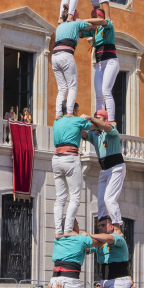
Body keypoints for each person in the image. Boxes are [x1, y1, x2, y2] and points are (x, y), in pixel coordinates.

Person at [49, 218, 107, 288]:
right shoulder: (80, 239)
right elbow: (102, 241)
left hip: (55, 279)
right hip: (69, 279)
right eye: (77, 223)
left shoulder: (58, 239)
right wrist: (88, 235)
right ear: (74, 226)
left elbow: (86, 250)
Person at [82, 110, 125, 233]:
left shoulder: (111, 129)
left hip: (116, 167)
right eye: (95, 118)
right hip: (104, 169)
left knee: (109, 199)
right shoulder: (95, 134)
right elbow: (84, 134)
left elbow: (105, 126)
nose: (95, 120)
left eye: (98, 118)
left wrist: (90, 117)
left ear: (105, 120)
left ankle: (117, 226)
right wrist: (76, 122)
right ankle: (102, 224)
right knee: (101, 201)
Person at [52, 101, 91, 237]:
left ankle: (58, 231)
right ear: (73, 110)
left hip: (56, 157)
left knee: (60, 198)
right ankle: (68, 229)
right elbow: (91, 127)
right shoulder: (76, 120)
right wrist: (86, 118)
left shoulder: (56, 122)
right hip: (70, 157)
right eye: (77, 110)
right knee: (74, 197)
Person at [52, 11, 92, 119]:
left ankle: (58, 114)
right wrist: (81, 21)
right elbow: (90, 25)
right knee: (72, 86)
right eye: (78, 16)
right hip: (66, 55)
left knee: (62, 88)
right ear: (74, 17)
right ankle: (69, 112)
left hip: (55, 56)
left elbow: (79, 34)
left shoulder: (60, 26)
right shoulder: (75, 24)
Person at [82, 8, 119, 122]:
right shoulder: (95, 31)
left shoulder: (108, 25)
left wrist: (83, 20)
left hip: (110, 62)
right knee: (98, 94)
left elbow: (103, 21)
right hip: (100, 64)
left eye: (94, 16)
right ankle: (99, 118)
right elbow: (80, 32)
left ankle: (111, 120)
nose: (92, 18)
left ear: (100, 16)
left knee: (106, 91)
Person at [90, 216, 131, 288]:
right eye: (99, 225)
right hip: (105, 279)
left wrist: (89, 235)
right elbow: (88, 249)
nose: (100, 227)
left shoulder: (118, 237)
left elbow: (109, 238)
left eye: (103, 225)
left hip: (119, 278)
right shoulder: (100, 242)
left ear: (112, 227)